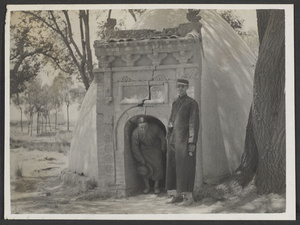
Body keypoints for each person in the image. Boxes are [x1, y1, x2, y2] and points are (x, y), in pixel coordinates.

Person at [166, 78, 200, 206]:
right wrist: (168, 134)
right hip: (173, 139)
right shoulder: (175, 102)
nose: (180, 88)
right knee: (172, 167)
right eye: (178, 86)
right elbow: (171, 119)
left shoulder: (192, 103)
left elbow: (193, 123)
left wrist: (192, 142)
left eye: (183, 86)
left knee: (185, 168)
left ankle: (188, 198)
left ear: (187, 88)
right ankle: (175, 195)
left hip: (185, 141)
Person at [131, 117, 166, 194]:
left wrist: (163, 148)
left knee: (158, 167)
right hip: (144, 151)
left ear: (148, 125)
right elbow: (135, 147)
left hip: (156, 149)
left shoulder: (155, 128)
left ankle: (156, 186)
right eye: (141, 127)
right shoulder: (135, 133)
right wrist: (140, 159)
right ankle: (147, 186)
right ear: (138, 127)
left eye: (145, 127)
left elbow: (162, 137)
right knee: (145, 168)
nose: (143, 129)